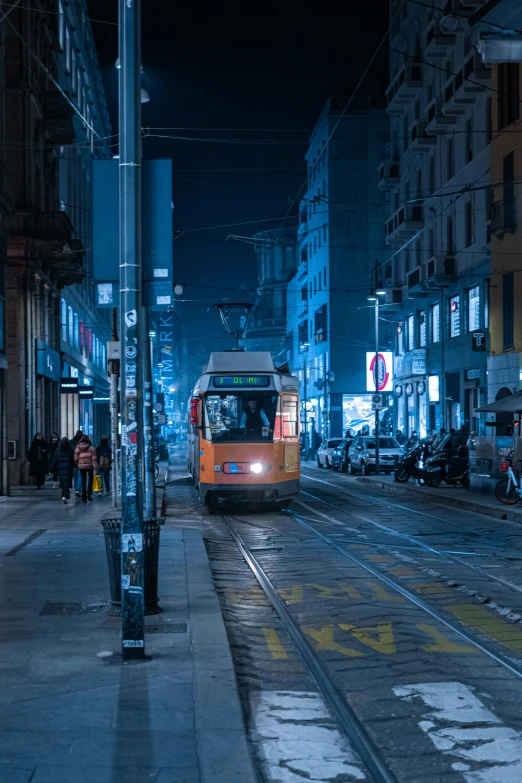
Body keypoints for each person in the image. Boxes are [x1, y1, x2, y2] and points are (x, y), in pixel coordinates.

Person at [49, 438, 74, 504]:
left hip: (60, 469)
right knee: (67, 483)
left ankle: (64, 495)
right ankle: (65, 496)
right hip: (68, 469)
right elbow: (73, 460)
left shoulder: (58, 451)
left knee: (63, 482)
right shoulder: (70, 450)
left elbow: (54, 460)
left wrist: (50, 469)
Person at [74, 435, 98, 503]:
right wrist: (95, 467)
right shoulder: (92, 448)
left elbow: (75, 457)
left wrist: (77, 463)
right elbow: (94, 459)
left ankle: (83, 497)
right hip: (90, 466)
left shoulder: (78, 447)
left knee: (83, 481)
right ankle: (89, 494)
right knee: (90, 480)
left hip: (81, 466)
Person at [69, 429, 83, 497]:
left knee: (75, 476)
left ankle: (76, 490)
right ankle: (78, 489)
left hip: (73, 462)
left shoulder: (71, 442)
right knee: (80, 476)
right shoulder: (83, 443)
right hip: (81, 462)